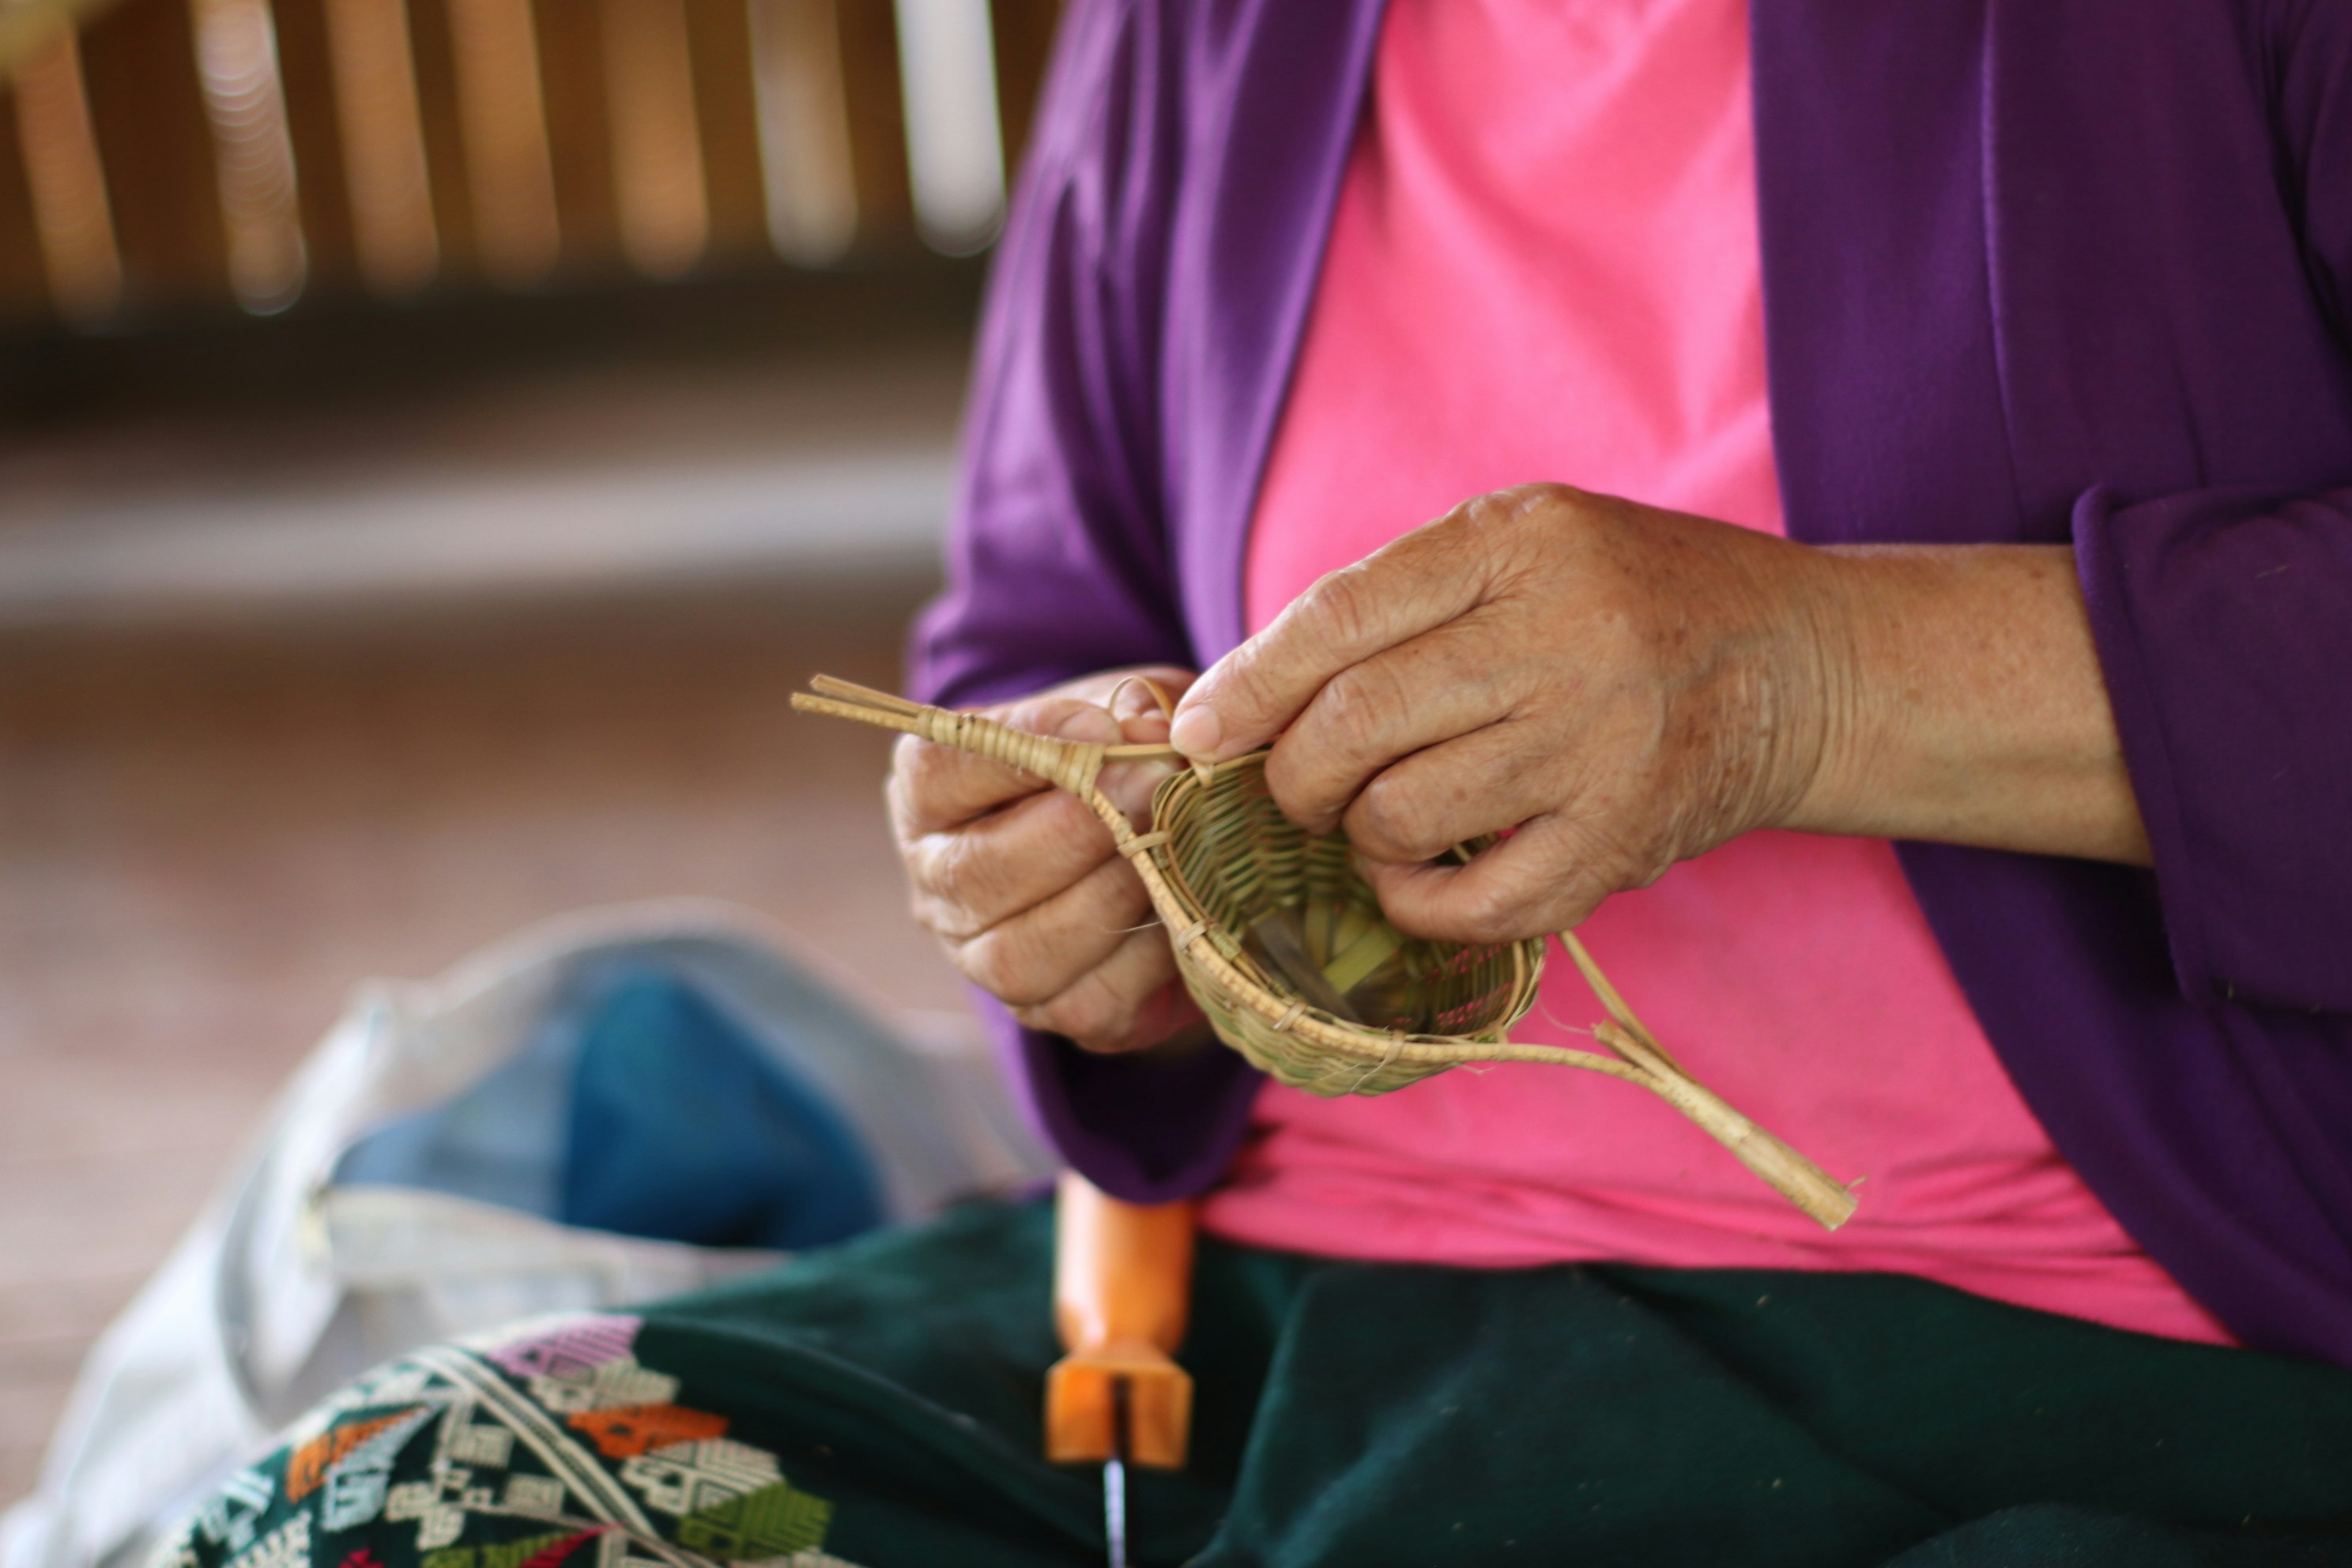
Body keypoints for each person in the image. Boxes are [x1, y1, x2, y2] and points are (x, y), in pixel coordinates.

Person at [161, 2, 2352, 1565]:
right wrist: (1065, 880)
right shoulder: (1209, 33)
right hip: (1244, 1345)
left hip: (2126, 1363)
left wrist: (1802, 678)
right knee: (380, 1521)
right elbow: (1029, 641)